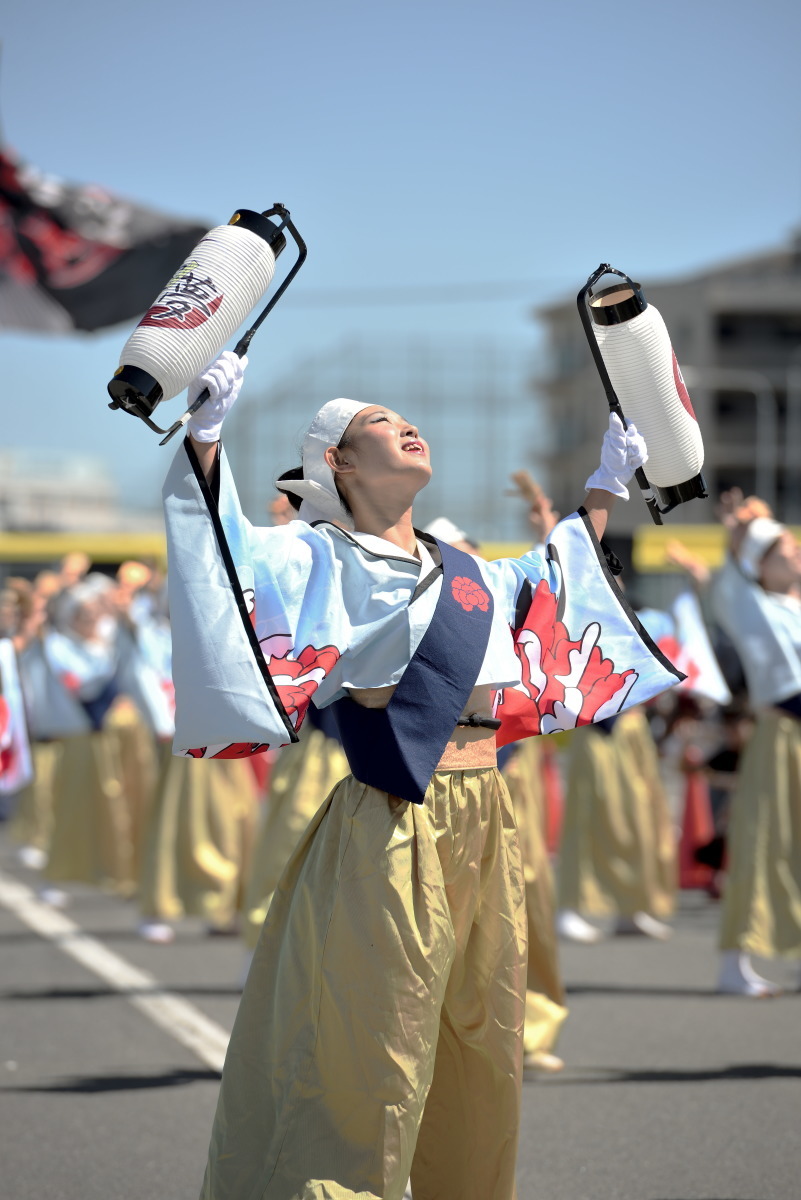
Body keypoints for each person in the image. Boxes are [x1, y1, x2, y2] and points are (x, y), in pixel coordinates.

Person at [162, 352, 683, 1200]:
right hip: (394, 815)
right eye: (378, 421)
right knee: (374, 1043)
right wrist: (207, 436)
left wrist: (605, 486)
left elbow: (549, 584)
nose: (405, 425)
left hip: (488, 811)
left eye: (405, 418)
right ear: (336, 461)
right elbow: (225, 561)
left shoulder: (466, 568)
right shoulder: (315, 556)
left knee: (484, 1043)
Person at [712, 504, 801, 995]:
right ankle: (735, 959)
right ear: (761, 564)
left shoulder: (794, 606)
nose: (796, 553)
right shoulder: (753, 605)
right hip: (781, 734)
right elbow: (727, 590)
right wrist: (737, 541)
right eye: (784, 549)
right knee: (763, 840)